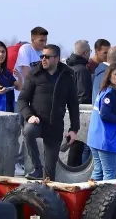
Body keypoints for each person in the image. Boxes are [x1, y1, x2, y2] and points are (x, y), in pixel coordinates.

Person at [17, 44, 79, 180]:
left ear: (56, 58)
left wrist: (74, 129)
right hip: (37, 121)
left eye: (47, 57)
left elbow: (74, 105)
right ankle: (37, 167)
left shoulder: (67, 76)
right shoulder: (34, 74)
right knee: (28, 131)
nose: (43, 59)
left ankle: (47, 195)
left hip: (55, 126)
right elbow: (21, 100)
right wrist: (29, 116)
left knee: (50, 173)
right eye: (42, 56)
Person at [87, 63, 116, 181]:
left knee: (100, 171)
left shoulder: (105, 91)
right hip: (107, 140)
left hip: (96, 139)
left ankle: (92, 197)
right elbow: (105, 114)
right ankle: (107, 198)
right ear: (109, 76)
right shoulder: (110, 93)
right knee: (110, 173)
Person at [65, 40, 94, 167]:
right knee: (77, 146)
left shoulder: (68, 67)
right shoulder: (82, 71)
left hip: (67, 111)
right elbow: (84, 94)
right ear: (85, 52)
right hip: (79, 114)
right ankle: (74, 171)